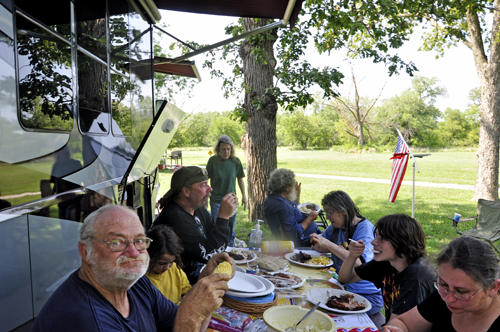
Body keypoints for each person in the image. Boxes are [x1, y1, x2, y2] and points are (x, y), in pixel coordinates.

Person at [31, 204, 235, 332]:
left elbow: (188, 322)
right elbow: (188, 320)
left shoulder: (135, 285)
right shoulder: (85, 319)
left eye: (139, 241)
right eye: (117, 242)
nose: (133, 252)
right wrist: (191, 315)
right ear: (86, 252)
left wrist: (204, 283)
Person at [382, 236, 500, 332]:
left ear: (494, 288)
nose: (449, 299)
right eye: (443, 284)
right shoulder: (444, 296)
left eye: (462, 292)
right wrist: (397, 329)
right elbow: (403, 323)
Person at [337, 213, 435, 328]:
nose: (373, 242)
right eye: (376, 236)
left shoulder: (416, 275)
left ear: (401, 241)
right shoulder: (386, 262)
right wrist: (352, 256)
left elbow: (396, 327)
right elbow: (344, 279)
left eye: (382, 238)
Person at [310, 190, 384, 328]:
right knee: (311, 300)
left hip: (366, 296)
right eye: (326, 213)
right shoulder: (336, 227)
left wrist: (329, 244)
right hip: (344, 287)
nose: (328, 217)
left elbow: (359, 263)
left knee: (323, 317)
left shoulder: (364, 229)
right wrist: (317, 241)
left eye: (330, 212)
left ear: (343, 210)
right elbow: (321, 246)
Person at [154, 166, 237, 284]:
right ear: (186, 192)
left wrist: (225, 217)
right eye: (203, 185)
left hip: (196, 277)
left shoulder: (197, 209)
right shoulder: (177, 219)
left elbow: (216, 240)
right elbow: (210, 254)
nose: (210, 188)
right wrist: (223, 217)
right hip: (179, 287)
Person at [263, 168, 320, 246]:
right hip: (306, 241)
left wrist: (297, 196)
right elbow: (293, 234)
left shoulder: (272, 198)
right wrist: (310, 219)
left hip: (308, 237)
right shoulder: (283, 206)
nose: (294, 187)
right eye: (293, 186)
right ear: (287, 188)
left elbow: (294, 210)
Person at [207, 135, 247, 246]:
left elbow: (240, 180)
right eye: (223, 149)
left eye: (228, 149)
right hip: (216, 200)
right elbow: (205, 181)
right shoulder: (212, 161)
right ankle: (217, 248)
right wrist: (205, 197)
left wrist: (244, 196)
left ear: (232, 149)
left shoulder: (235, 161)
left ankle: (230, 250)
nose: (226, 152)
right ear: (218, 150)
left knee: (230, 228)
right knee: (218, 227)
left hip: (231, 200)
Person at [146, 224, 192, 304]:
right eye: (161, 263)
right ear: (148, 256)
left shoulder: (175, 269)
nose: (167, 267)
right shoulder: (141, 279)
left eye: (171, 262)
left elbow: (187, 291)